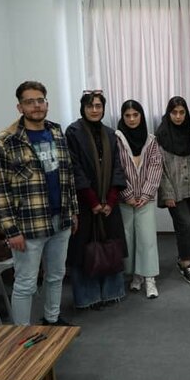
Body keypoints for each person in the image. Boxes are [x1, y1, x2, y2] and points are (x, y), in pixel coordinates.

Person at [0, 81, 78, 326]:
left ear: (46, 103)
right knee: (26, 283)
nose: (36, 106)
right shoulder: (5, 141)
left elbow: (68, 176)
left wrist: (73, 212)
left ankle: (51, 319)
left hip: (61, 219)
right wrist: (11, 231)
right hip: (29, 225)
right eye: (30, 102)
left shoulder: (56, 132)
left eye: (40, 100)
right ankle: (21, 332)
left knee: (56, 275)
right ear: (20, 107)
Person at [66, 91, 127, 309]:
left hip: (108, 202)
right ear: (83, 108)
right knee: (84, 249)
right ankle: (88, 297)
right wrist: (92, 201)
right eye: (90, 106)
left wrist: (110, 200)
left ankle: (111, 292)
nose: (94, 110)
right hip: (85, 203)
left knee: (110, 245)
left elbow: (118, 167)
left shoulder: (110, 133)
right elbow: (74, 168)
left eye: (98, 106)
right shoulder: (73, 132)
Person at [115, 100, 163, 299]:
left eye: (135, 115)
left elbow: (155, 167)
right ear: (122, 117)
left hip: (145, 200)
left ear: (141, 116)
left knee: (147, 239)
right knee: (129, 239)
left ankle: (150, 278)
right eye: (128, 115)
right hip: (124, 200)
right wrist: (126, 194)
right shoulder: (116, 139)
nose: (132, 119)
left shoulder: (151, 140)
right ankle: (136, 275)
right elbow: (116, 168)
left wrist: (145, 194)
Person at [155, 97, 190, 287]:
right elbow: (159, 169)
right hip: (174, 191)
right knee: (185, 225)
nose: (178, 116)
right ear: (168, 113)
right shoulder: (160, 137)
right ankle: (186, 264)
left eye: (182, 112)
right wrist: (167, 194)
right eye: (174, 112)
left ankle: (184, 258)